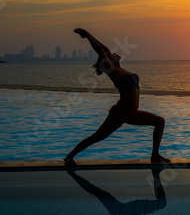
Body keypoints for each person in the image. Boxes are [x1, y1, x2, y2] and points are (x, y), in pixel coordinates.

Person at [64, 28, 170, 165]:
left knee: (159, 122)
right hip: (121, 113)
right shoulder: (113, 71)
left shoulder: (120, 69)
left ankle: (155, 155)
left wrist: (91, 35)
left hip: (131, 112)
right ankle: (70, 156)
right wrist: (87, 36)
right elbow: (101, 52)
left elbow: (104, 49)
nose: (112, 52)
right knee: (97, 137)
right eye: (109, 55)